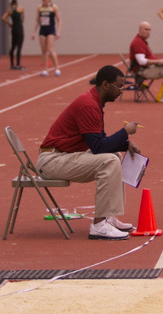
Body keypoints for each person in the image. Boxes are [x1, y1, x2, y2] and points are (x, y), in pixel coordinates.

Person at [36, 65, 142, 241]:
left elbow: (99, 141)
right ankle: (99, 225)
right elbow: (98, 147)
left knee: (115, 156)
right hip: (51, 161)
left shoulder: (94, 102)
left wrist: (125, 144)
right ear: (105, 84)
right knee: (109, 161)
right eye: (119, 86)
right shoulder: (88, 105)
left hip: (64, 156)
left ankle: (108, 217)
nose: (121, 91)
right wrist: (125, 132)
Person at [129, 21, 163, 103]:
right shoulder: (138, 42)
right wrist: (159, 61)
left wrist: (160, 62)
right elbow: (141, 61)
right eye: (146, 29)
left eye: (149, 30)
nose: (148, 32)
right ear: (140, 30)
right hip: (143, 71)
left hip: (147, 68)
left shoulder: (141, 41)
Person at [32, 0, 61, 76]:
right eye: (43, 0)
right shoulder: (40, 7)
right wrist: (34, 32)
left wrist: (58, 31)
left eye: (45, 0)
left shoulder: (53, 7)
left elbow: (59, 20)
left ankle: (57, 68)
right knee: (44, 51)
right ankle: (45, 69)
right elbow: (37, 20)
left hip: (51, 29)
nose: (44, 2)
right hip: (42, 29)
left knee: (50, 49)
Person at [2, 0, 25, 70]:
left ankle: (12, 64)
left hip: (13, 27)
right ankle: (18, 64)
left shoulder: (10, 11)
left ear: (11, 4)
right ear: (16, 4)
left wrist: (9, 24)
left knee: (13, 46)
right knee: (19, 46)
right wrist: (21, 21)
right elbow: (23, 18)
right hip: (19, 27)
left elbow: (3, 18)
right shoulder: (20, 9)